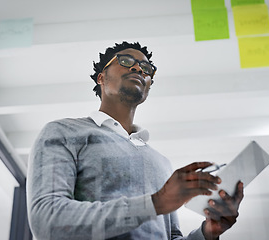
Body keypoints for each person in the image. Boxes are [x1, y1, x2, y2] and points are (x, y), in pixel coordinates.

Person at [26, 41, 244, 240]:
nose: (139, 68)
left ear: (148, 87)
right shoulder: (63, 132)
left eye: (146, 68)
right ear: (101, 77)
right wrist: (154, 203)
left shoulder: (161, 162)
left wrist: (208, 232)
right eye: (126, 61)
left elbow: (172, 237)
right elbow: (48, 220)